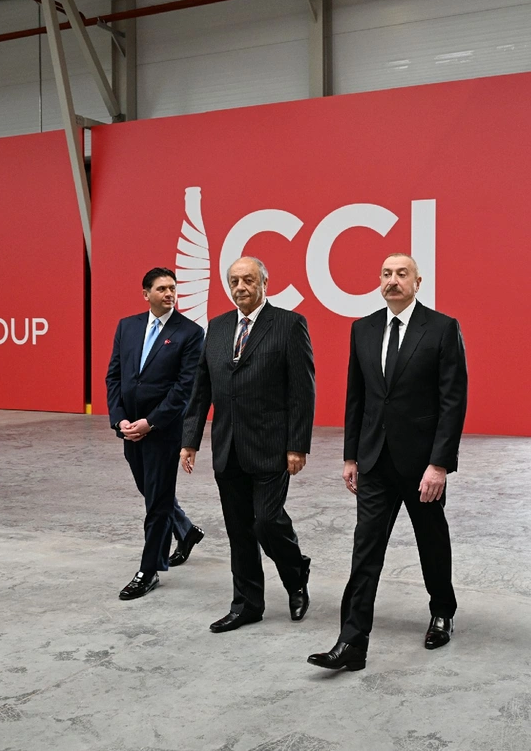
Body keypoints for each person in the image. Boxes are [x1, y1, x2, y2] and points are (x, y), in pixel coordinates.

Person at [307, 253, 468, 672]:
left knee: (431, 541)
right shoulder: (363, 329)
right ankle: (351, 641)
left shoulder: (442, 328)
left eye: (401, 274)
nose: (392, 280)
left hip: (422, 466)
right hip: (374, 461)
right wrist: (350, 456)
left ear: (418, 281)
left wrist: (439, 465)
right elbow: (356, 397)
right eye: (386, 274)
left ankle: (442, 611)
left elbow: (452, 402)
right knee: (365, 549)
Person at [180, 257, 315, 633]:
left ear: (264, 283)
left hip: (271, 445)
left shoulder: (289, 324)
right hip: (228, 447)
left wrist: (297, 445)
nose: (241, 287)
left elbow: (302, 390)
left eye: (249, 280)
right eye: (235, 281)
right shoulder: (218, 326)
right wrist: (190, 440)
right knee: (239, 530)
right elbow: (202, 387)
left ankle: (295, 575)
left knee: (267, 521)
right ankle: (247, 605)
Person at [106, 267, 206, 600]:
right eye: (161, 288)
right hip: (130, 430)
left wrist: (150, 422)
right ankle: (185, 531)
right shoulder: (127, 326)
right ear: (145, 294)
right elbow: (114, 377)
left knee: (157, 503)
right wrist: (120, 420)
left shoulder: (190, 333)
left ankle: (149, 570)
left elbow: (184, 388)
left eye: (172, 288)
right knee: (151, 493)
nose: (169, 293)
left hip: (163, 432)